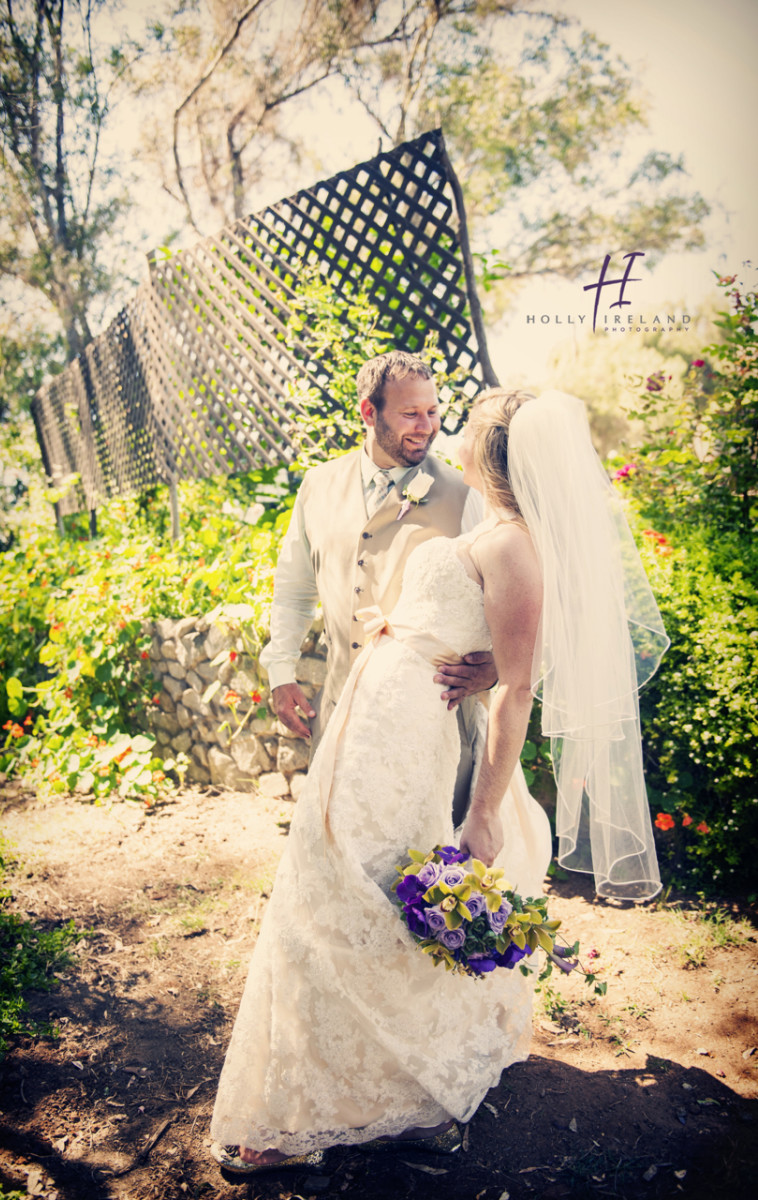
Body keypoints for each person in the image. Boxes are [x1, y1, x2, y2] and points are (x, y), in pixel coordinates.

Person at [210, 387, 667, 1174]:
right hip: (375, 728)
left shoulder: (513, 543)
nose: (442, 430)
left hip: (412, 741)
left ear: (492, 454)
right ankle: (350, 1090)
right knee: (334, 893)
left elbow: (519, 684)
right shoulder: (495, 528)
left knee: (351, 899)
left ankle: (348, 1104)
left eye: (463, 424)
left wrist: (484, 809)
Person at [259, 349, 498, 819]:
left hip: (434, 726)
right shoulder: (317, 486)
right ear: (369, 412)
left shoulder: (467, 494)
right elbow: (294, 588)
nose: (426, 426)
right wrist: (281, 672)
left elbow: (508, 599)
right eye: (410, 413)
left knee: (427, 877)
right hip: (342, 715)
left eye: (433, 411)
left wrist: (496, 669)